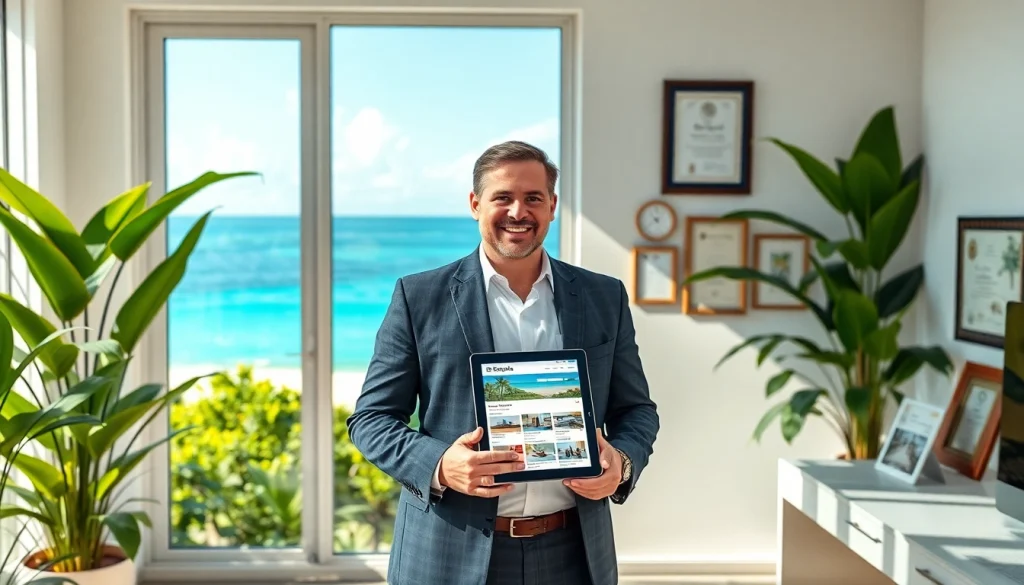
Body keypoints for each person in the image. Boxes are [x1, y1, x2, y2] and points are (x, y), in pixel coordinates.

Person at [347, 140, 660, 585]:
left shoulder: (603, 296)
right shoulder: (419, 298)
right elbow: (371, 419)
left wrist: (622, 462)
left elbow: (636, 410)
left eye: (533, 198)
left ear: (552, 206)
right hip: (449, 551)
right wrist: (440, 464)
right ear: (475, 204)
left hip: (573, 552)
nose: (519, 211)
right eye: (503, 197)